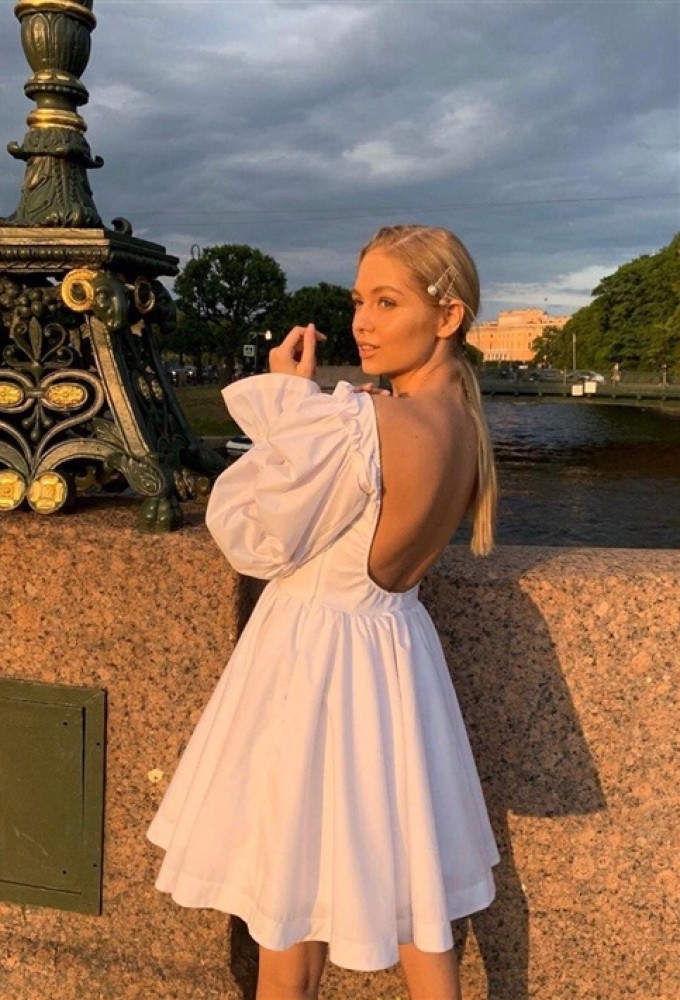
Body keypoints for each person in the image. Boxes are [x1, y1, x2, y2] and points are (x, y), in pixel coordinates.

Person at [147, 224, 500, 1000]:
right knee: (417, 904)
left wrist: (287, 400)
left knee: (288, 911)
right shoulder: (463, 429)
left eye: (387, 302)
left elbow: (254, 533)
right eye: (358, 301)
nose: (362, 323)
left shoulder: (372, 423)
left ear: (448, 317)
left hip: (314, 665)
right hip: (396, 657)